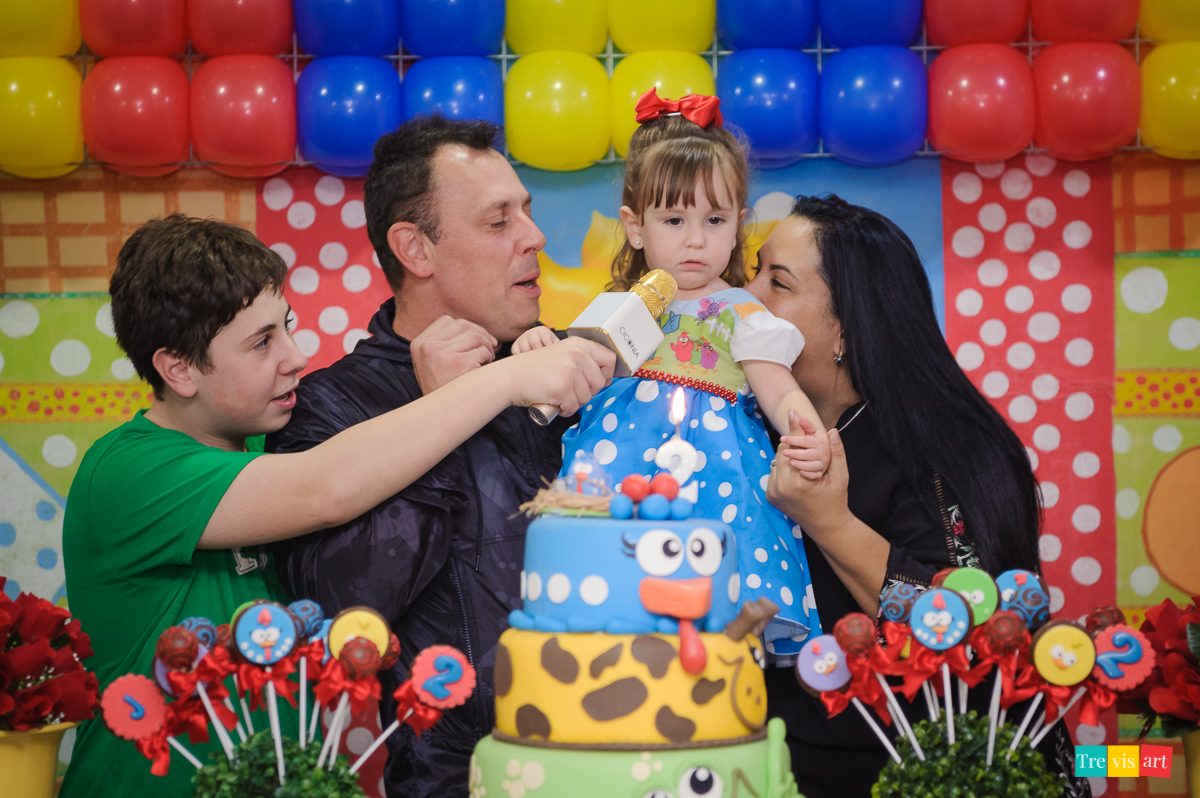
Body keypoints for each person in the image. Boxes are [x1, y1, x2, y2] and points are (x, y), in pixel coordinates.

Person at [58, 215, 611, 798]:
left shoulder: (267, 441)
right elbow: (325, 490)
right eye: (260, 342)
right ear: (178, 368)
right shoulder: (127, 471)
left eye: (286, 327)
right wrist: (504, 379)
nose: (295, 357)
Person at [266, 116, 615, 798]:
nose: (535, 238)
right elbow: (351, 610)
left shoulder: (570, 365)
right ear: (415, 250)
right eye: (498, 222)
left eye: (528, 212)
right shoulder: (329, 409)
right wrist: (444, 418)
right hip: (454, 775)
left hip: (626, 749)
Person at [754, 194, 1087, 798]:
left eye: (776, 283)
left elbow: (968, 633)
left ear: (845, 331)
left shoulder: (951, 449)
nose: (746, 297)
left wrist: (828, 521)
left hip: (925, 771)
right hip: (773, 760)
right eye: (751, 271)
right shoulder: (740, 428)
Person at [513, 90, 830, 657]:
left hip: (718, 480)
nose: (694, 239)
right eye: (673, 219)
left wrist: (803, 426)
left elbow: (777, 386)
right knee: (614, 609)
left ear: (738, 225)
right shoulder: (615, 309)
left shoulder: (740, 311)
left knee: (713, 628)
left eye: (714, 219)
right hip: (620, 465)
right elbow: (571, 390)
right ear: (635, 227)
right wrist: (539, 349)